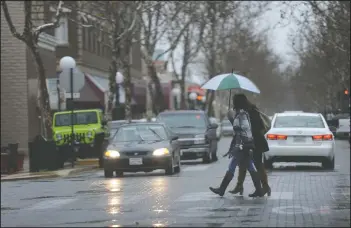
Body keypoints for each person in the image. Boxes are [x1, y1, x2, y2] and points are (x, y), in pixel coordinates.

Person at [209, 94, 263, 197]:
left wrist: (232, 119)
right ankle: (259, 190)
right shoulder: (241, 114)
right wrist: (231, 118)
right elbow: (239, 127)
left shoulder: (242, 114)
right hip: (244, 145)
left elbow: (242, 129)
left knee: (236, 166)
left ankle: (222, 189)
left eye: (234, 100)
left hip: (243, 145)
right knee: (247, 166)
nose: (233, 102)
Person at [228, 94, 271, 197]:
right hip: (252, 141)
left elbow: (245, 128)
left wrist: (231, 119)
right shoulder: (248, 111)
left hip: (253, 142)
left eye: (234, 101)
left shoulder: (249, 112)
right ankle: (241, 186)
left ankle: (264, 187)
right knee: (243, 163)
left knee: (257, 165)